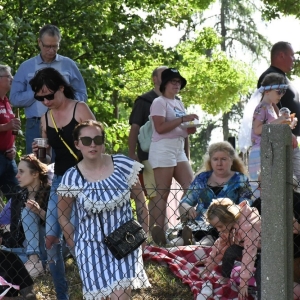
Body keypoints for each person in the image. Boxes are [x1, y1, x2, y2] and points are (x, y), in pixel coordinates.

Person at [57, 120, 150, 300]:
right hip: (89, 246)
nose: (92, 144)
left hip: (125, 240)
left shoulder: (123, 165)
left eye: (97, 139)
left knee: (120, 296)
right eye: (86, 140)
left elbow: (140, 200)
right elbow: (63, 215)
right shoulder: (71, 177)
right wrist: (74, 244)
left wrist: (143, 233)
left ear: (103, 142)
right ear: (77, 144)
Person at [29, 67, 95, 300]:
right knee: (50, 239)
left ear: (61, 88)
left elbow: (96, 145)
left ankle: (94, 289)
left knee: (79, 238)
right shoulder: (46, 118)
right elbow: (47, 160)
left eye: (49, 95)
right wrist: (41, 154)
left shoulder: (80, 109)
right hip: (61, 180)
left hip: (86, 179)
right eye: (40, 97)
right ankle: (62, 294)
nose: (45, 101)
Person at [153, 141, 251, 247]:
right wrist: (188, 208)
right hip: (198, 223)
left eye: (223, 159)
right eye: (215, 159)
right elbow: (185, 201)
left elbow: (246, 205)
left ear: (231, 160)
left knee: (208, 238)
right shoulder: (201, 178)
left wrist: (229, 216)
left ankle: (194, 244)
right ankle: (167, 244)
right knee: (181, 238)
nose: (219, 163)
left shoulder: (241, 179)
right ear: (210, 161)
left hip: (223, 225)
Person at [10, 24, 88, 154]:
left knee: (65, 163)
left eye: (55, 46)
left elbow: (82, 95)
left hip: (65, 124)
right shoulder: (26, 67)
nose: (51, 50)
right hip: (36, 125)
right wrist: (39, 93)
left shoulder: (68, 64)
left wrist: (64, 99)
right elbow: (14, 99)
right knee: (37, 166)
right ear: (39, 42)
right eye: (47, 46)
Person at [149, 68, 198, 233]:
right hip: (163, 148)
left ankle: (188, 229)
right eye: (173, 81)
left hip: (178, 148)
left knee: (192, 188)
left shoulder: (179, 102)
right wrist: (183, 119)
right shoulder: (159, 102)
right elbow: (160, 128)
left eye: (179, 82)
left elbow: (180, 128)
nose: (177, 85)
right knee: (162, 193)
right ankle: (157, 235)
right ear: (164, 84)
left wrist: (190, 129)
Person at [200, 198, 261, 300]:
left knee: (261, 272)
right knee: (230, 251)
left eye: (220, 226)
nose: (218, 230)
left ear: (229, 219)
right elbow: (220, 245)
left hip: (264, 249)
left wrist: (243, 283)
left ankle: (262, 294)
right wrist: (209, 265)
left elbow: (249, 254)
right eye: (216, 227)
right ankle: (225, 276)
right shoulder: (229, 225)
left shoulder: (249, 225)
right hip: (245, 246)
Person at [129, 66, 167, 229]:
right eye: (164, 75)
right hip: (149, 156)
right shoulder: (144, 101)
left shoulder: (175, 101)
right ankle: (152, 232)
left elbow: (184, 132)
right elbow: (134, 129)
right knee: (154, 194)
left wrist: (186, 155)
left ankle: (164, 232)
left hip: (171, 157)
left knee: (165, 194)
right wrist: (131, 154)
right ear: (155, 79)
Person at [1, 154, 50, 278]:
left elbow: (60, 226)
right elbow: (14, 232)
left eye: (21, 172)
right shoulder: (19, 196)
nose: (17, 176)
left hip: (48, 246)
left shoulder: (50, 193)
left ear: (35, 174)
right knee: (4, 256)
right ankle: (38, 264)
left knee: (28, 212)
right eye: (17, 172)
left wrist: (39, 212)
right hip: (24, 249)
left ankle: (36, 260)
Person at [257, 41, 300, 181]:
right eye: (292, 56)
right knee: (292, 181)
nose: (294, 59)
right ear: (281, 55)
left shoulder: (282, 77)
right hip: (282, 139)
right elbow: (272, 106)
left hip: (290, 139)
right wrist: (287, 131)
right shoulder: (271, 77)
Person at [249, 72, 295, 193]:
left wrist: (288, 124)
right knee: (261, 189)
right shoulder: (261, 107)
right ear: (267, 91)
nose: (281, 95)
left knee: (270, 188)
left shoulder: (271, 107)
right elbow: (257, 129)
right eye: (279, 91)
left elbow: (273, 128)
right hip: (259, 151)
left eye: (284, 91)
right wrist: (280, 120)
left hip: (268, 150)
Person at [0, 65, 20, 199]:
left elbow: (11, 131)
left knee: (18, 195)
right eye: (8, 76)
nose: (12, 78)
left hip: (8, 157)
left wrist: (13, 147)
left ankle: (16, 221)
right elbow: (7, 126)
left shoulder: (7, 102)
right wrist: (6, 126)